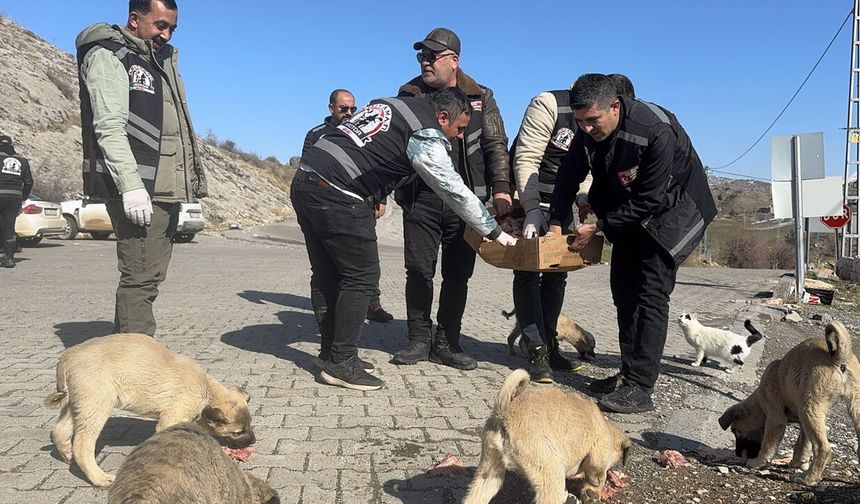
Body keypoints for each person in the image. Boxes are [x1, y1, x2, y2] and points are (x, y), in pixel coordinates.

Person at [296, 87, 517, 391]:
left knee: (327, 275)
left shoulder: (392, 104)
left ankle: (330, 354)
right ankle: (341, 362)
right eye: (460, 128)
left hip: (305, 181)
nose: (460, 136)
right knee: (361, 277)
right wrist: (494, 231)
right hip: (340, 193)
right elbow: (451, 187)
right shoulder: (425, 131)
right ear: (442, 117)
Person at [549, 73, 716, 414]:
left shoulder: (654, 130)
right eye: (579, 122)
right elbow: (568, 173)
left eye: (592, 120)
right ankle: (628, 372)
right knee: (623, 291)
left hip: (673, 214)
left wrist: (598, 227)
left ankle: (640, 386)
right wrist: (555, 221)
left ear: (615, 106)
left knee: (649, 294)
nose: (586, 129)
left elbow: (650, 199)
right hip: (629, 214)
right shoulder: (588, 130)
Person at [76, 0, 207, 336]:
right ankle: (137, 370)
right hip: (139, 190)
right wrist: (131, 186)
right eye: (160, 25)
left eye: (172, 28)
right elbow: (109, 126)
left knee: (149, 279)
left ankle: (130, 359)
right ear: (134, 19)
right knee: (139, 279)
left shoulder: (158, 61)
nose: (166, 34)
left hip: (164, 191)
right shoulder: (110, 55)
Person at [393, 27, 512, 370]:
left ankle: (448, 341)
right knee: (418, 270)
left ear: (454, 61)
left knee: (458, 274)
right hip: (421, 196)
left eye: (432, 56)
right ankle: (417, 339)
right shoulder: (409, 93)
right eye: (421, 56)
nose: (425, 62)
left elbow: (495, 143)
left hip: (468, 201)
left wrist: (501, 188)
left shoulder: (481, 95)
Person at [508, 87, 591, 383]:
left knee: (558, 273)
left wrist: (583, 196)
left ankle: (551, 343)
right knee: (528, 272)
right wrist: (530, 208)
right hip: (530, 195)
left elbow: (591, 164)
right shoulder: (549, 104)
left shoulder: (601, 117)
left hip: (562, 202)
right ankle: (535, 350)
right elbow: (526, 157)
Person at [301, 89, 394, 324]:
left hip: (362, 204)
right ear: (331, 108)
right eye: (344, 109)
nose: (349, 113)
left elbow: (377, 167)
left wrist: (380, 199)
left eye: (353, 108)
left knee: (367, 258)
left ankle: (372, 304)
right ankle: (335, 311)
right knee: (330, 262)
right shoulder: (316, 135)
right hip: (328, 206)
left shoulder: (363, 130)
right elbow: (306, 171)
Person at [0, 135, 33, 269]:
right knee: (9, 228)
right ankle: (9, 259)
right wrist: (23, 196)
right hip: (14, 197)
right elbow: (29, 182)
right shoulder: (22, 161)